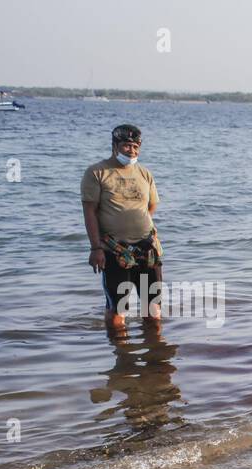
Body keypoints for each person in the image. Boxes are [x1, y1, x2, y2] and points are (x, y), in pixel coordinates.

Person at [81, 123, 162, 337]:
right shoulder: (97, 172)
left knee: (152, 306)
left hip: (147, 249)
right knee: (118, 308)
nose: (132, 151)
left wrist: (136, 224)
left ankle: (154, 349)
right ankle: (122, 356)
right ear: (114, 146)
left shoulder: (145, 174)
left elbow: (151, 206)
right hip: (115, 250)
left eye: (136, 146)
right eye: (127, 146)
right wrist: (96, 248)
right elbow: (89, 212)